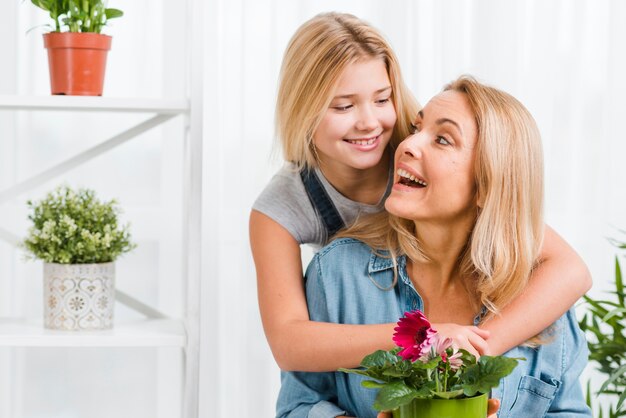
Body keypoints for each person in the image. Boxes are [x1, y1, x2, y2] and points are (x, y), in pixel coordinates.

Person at [249, 12, 591, 373]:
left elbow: (569, 269)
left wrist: (471, 350)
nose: (369, 122)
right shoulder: (283, 209)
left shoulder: (412, 145)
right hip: (373, 322)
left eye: (382, 99)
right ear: (302, 109)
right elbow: (290, 343)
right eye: (344, 106)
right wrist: (425, 338)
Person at [275, 76, 591, 418]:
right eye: (416, 128)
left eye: (442, 139)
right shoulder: (337, 274)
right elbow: (299, 407)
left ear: (489, 184)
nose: (408, 145)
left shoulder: (540, 297)